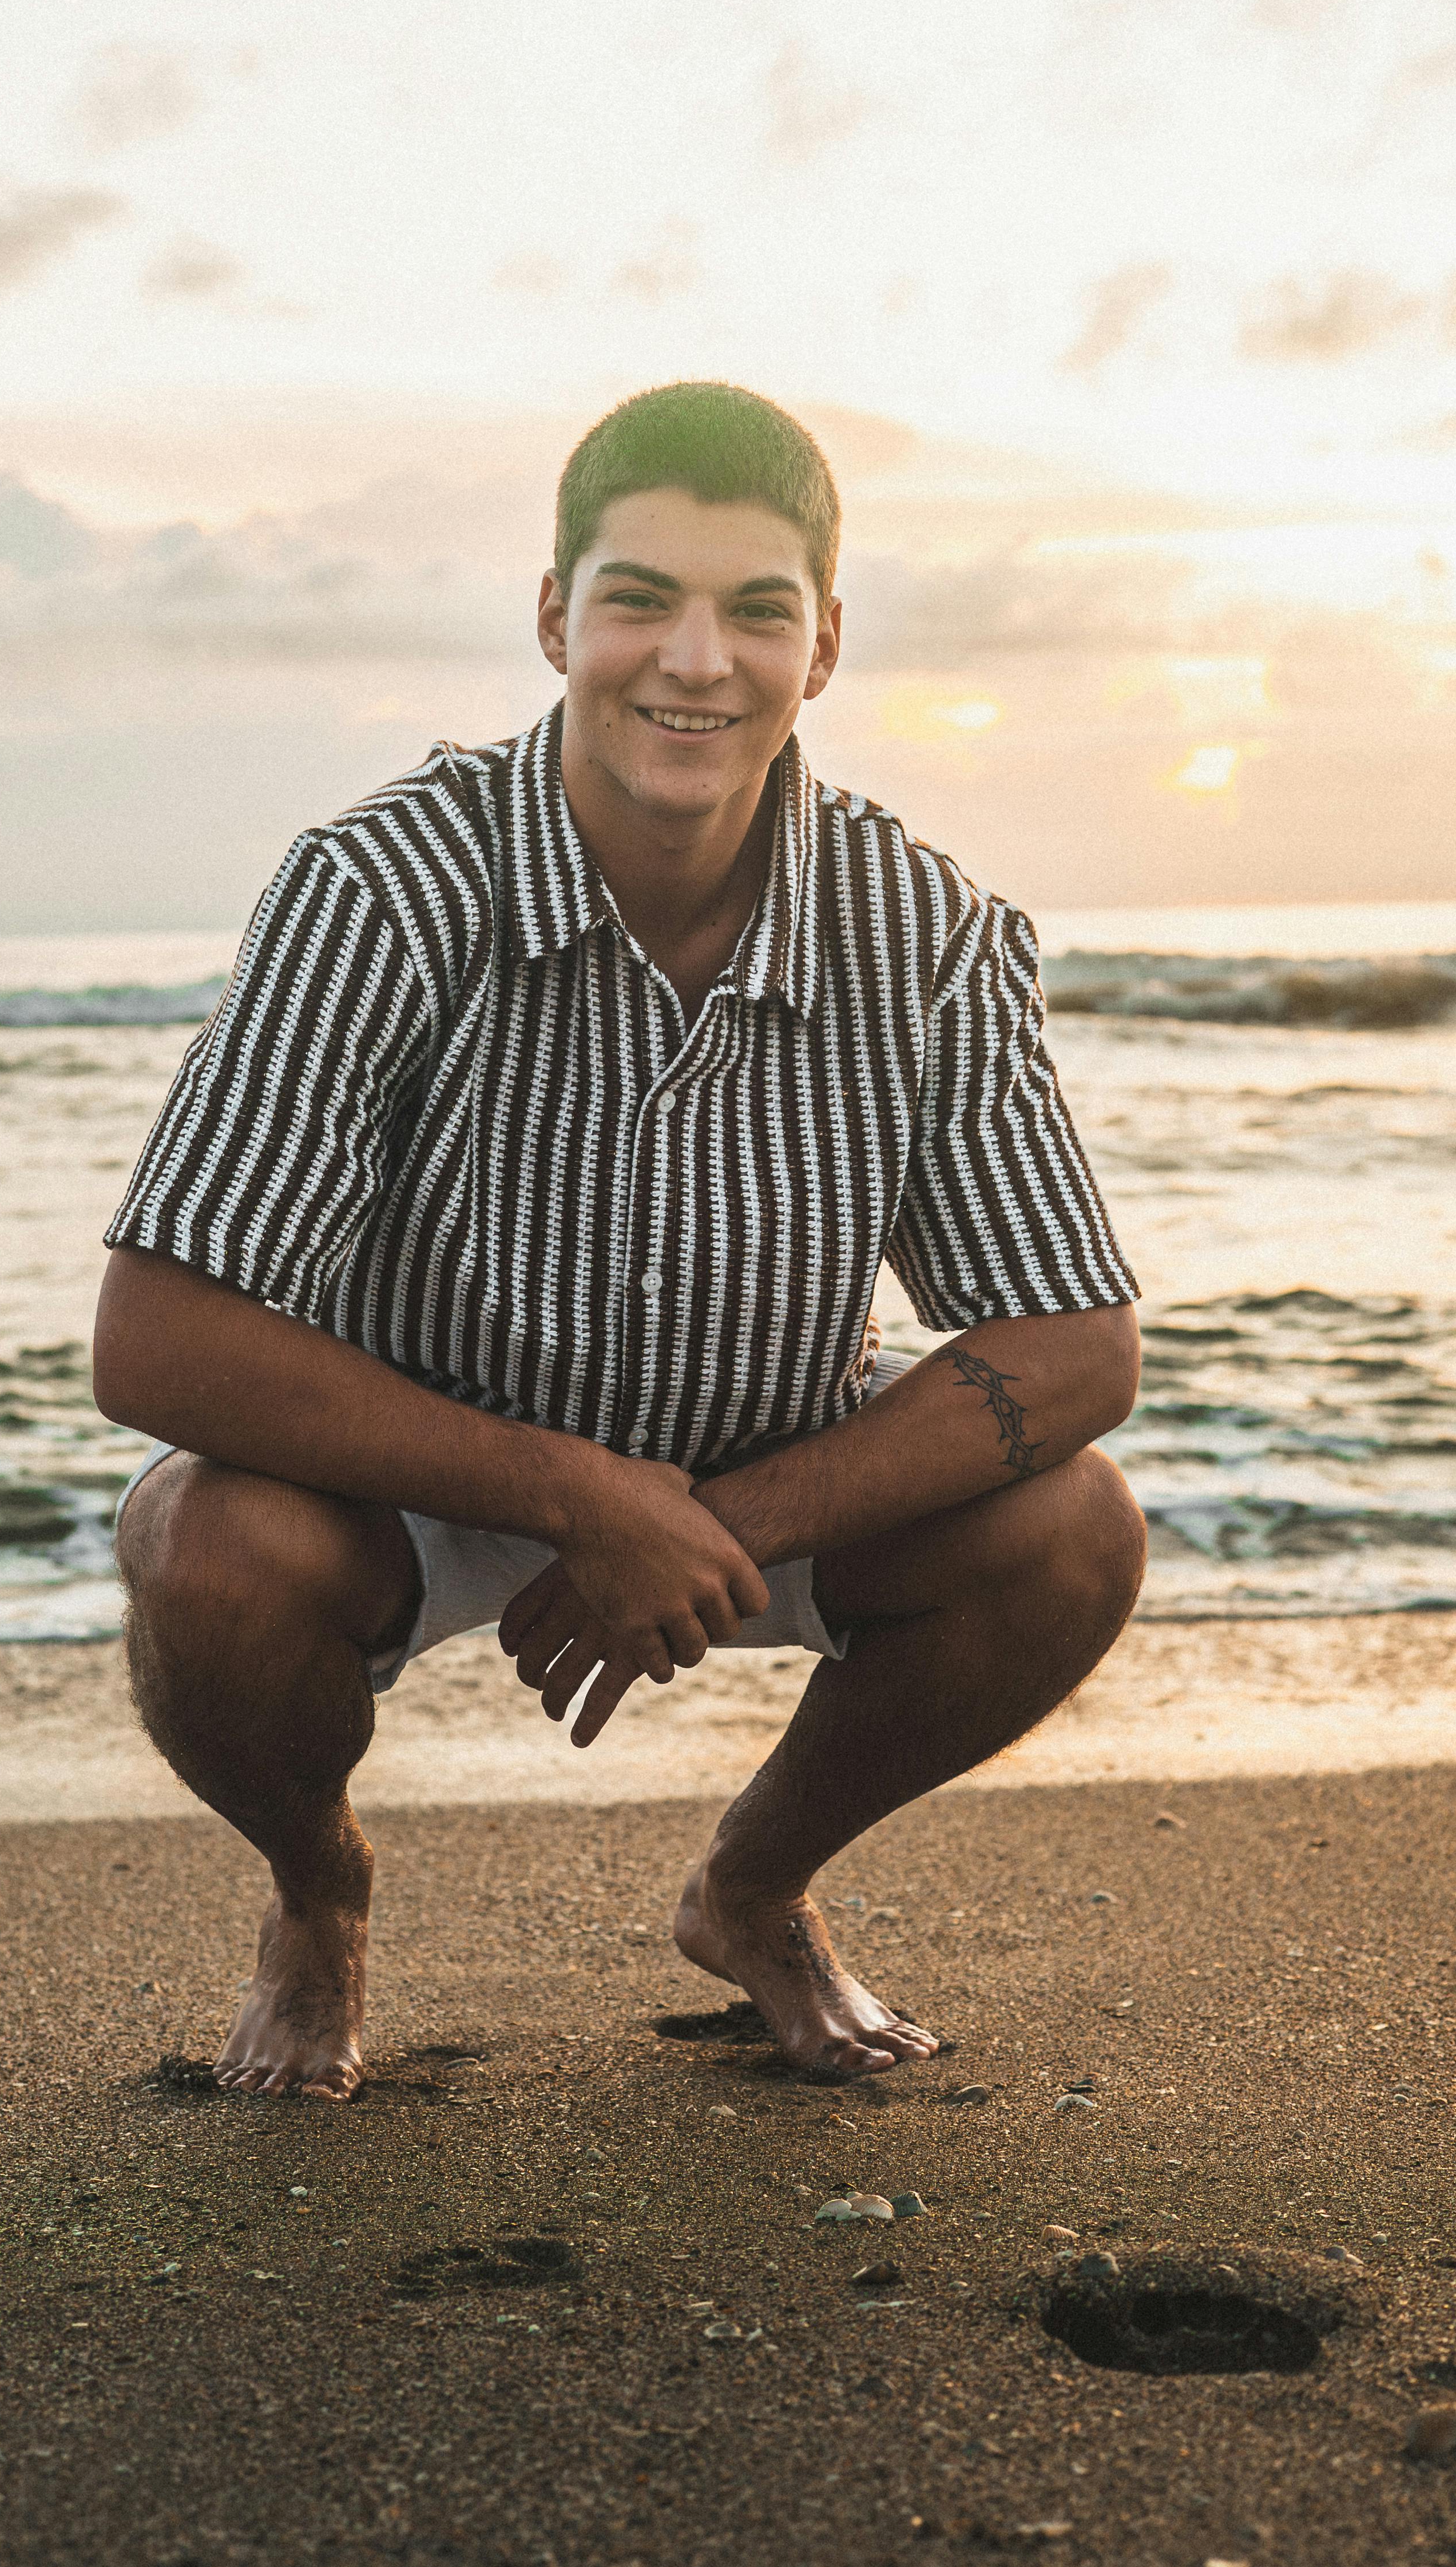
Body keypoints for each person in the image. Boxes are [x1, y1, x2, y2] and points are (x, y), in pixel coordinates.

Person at [95, 382, 1142, 2098]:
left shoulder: (928, 930)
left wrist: (705, 1519)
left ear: (819, 651)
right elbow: (156, 1341)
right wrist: (577, 1495)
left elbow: (1074, 1346)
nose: (693, 660)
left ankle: (752, 1890)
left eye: (755, 611)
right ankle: (318, 1895)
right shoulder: (380, 889)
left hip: (756, 1470)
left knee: (1075, 1533)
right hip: (413, 1478)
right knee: (206, 1557)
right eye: (639, 598)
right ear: (552, 618)